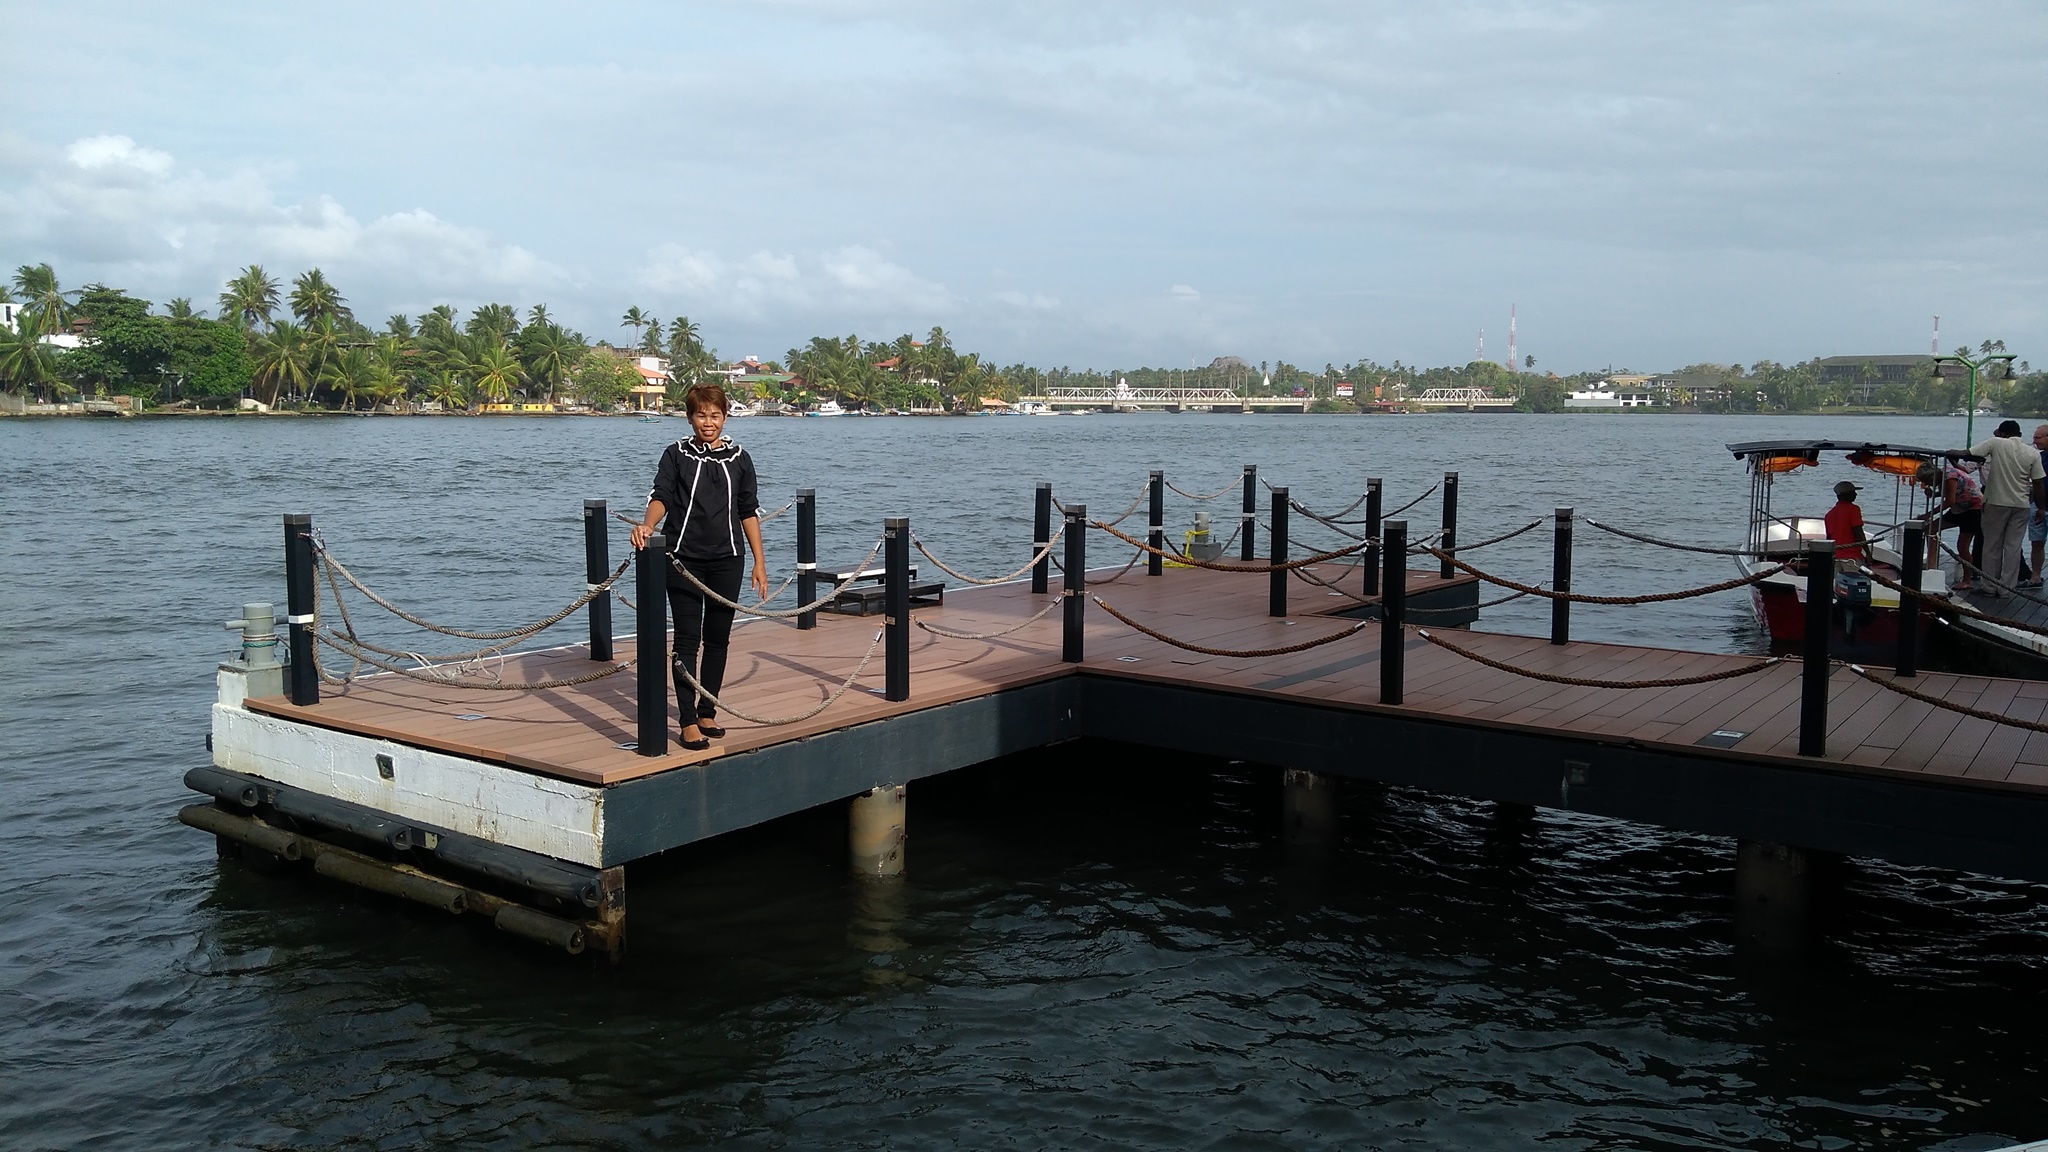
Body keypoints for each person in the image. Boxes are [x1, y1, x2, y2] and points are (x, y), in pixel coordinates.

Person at [630, 385, 770, 750]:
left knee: (719, 638)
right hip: (682, 558)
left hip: (728, 559)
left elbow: (748, 510)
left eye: (715, 415)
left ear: (725, 417)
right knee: (687, 639)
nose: (708, 422)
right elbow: (661, 495)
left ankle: (708, 711)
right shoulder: (675, 455)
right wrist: (648, 525)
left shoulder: (740, 458)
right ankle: (687, 720)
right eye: (701, 415)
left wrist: (759, 561)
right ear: (690, 417)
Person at [1967, 420, 2047, 597]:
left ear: (2002, 433)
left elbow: (1969, 453)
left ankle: (1989, 585)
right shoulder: (2033, 453)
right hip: (2021, 504)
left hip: (1996, 501)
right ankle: (2006, 588)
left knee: (1992, 545)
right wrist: (2041, 508)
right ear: (2020, 434)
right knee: (2013, 546)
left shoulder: (1996, 443)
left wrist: (1950, 454)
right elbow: (2038, 483)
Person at [1823, 480, 1866, 567]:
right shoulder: (1854, 509)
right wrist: (1868, 553)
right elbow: (1858, 532)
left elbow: (1829, 538)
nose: (1856, 494)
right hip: (1851, 557)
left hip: (1835, 557)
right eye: (1853, 492)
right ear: (1846, 495)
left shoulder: (1829, 514)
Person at [2025, 423, 2048, 589]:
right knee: (2036, 542)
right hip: (2039, 505)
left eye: (2038, 438)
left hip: (2042, 505)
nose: (2034, 441)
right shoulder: (2039, 457)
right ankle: (2036, 576)